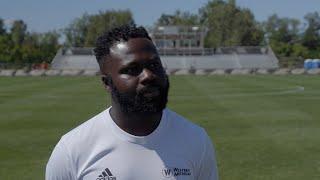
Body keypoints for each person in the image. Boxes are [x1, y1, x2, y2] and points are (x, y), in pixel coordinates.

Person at [46, 24, 219, 180]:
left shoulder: (196, 140)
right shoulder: (72, 151)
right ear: (107, 83)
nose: (148, 75)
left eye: (154, 65)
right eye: (132, 70)